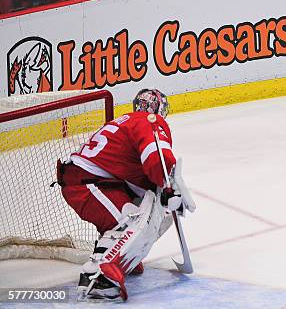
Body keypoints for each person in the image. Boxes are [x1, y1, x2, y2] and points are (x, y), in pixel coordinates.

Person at [57, 88, 195, 301]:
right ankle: (99, 276)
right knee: (131, 219)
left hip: (95, 182)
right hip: (86, 183)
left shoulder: (126, 120)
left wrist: (166, 193)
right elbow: (156, 157)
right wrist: (167, 188)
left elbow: (140, 179)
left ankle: (124, 257)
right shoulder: (150, 121)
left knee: (154, 211)